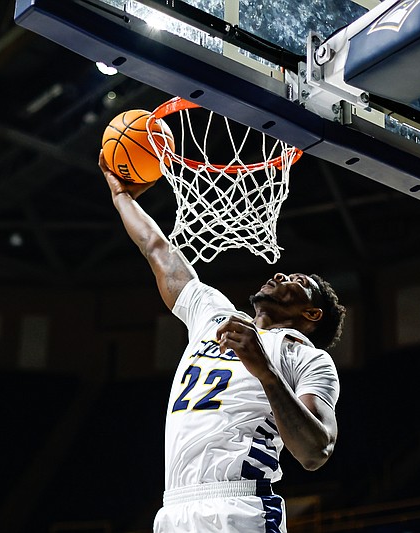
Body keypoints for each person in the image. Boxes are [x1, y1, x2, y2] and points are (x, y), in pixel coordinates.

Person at [99, 151, 346, 533]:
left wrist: (264, 371)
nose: (280, 274)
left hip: (239, 506)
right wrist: (121, 197)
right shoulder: (212, 314)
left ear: (312, 314)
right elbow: (157, 248)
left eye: (298, 281)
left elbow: (316, 451)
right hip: (173, 508)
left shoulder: (307, 358)